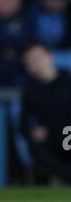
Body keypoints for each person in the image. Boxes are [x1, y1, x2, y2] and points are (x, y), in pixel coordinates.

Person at [20, 43, 71, 183]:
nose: (35, 64)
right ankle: (65, 177)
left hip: (68, 133)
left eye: (38, 58)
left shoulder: (68, 81)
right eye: (29, 61)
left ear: (50, 57)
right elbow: (23, 125)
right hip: (50, 138)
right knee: (35, 145)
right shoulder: (30, 91)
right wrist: (33, 131)